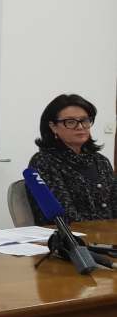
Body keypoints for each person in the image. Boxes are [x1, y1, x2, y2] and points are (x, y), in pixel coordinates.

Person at [27, 94, 116, 224]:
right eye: (70, 122)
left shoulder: (101, 161)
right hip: (70, 235)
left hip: (108, 234)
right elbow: (63, 217)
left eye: (85, 120)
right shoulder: (44, 161)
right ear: (53, 126)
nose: (80, 127)